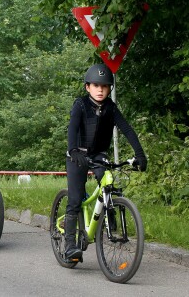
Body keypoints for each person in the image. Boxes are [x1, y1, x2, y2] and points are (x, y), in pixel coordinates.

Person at [65, 63, 147, 260]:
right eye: (95, 85)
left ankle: (110, 223)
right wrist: (73, 150)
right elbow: (72, 128)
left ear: (109, 88)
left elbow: (126, 129)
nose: (100, 90)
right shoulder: (80, 105)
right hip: (78, 155)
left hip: (99, 154)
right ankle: (69, 245)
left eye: (104, 86)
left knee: (107, 181)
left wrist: (140, 154)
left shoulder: (111, 108)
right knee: (75, 199)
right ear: (87, 87)